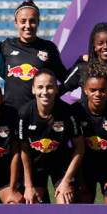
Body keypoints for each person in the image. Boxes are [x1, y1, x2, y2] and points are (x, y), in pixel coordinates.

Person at [19, 70, 84, 204]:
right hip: (36, 167)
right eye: (40, 87)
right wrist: (28, 185)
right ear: (33, 89)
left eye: (49, 87)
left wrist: (66, 181)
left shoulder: (68, 113)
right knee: (32, 203)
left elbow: (79, 148)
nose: (45, 92)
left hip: (61, 166)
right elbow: (23, 151)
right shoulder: (24, 114)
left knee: (65, 203)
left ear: (56, 89)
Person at [72, 61, 107, 204]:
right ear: (85, 90)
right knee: (82, 213)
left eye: (102, 90)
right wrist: (80, 180)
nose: (98, 94)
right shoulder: (76, 111)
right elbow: (76, 150)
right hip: (85, 169)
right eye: (93, 90)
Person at [63, 22, 107, 108]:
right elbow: (57, 91)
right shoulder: (83, 68)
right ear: (94, 47)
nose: (106, 46)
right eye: (100, 43)